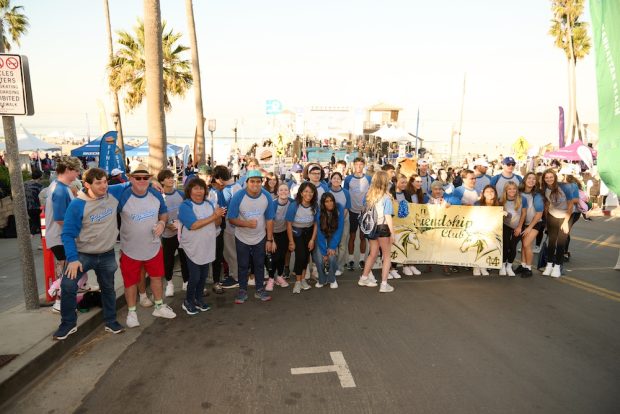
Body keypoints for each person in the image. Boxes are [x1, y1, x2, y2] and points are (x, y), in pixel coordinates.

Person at [55, 168, 127, 340]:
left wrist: (152, 182)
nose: (104, 186)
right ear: (87, 185)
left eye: (105, 181)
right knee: (67, 286)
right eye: (98, 183)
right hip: (82, 255)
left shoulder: (113, 192)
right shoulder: (77, 205)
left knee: (108, 288)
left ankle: (110, 321)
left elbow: (133, 183)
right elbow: (67, 234)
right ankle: (68, 324)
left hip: (107, 253)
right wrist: (72, 259)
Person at [118, 164, 176, 328]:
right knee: (130, 282)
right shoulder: (123, 195)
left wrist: (162, 223)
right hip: (130, 248)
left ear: (150, 179)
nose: (142, 181)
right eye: (138, 178)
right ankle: (131, 313)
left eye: (146, 178)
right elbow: (102, 189)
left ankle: (159, 306)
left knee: (157, 277)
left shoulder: (156, 195)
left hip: (153, 246)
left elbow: (164, 212)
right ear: (131, 179)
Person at [177, 178, 226, 315]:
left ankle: (198, 299)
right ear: (189, 190)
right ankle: (188, 301)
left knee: (203, 275)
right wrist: (213, 216)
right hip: (192, 246)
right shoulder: (185, 206)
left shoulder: (209, 204)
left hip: (207, 244)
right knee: (195, 276)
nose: (199, 191)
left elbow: (216, 223)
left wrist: (219, 216)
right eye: (195, 188)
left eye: (201, 188)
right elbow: (193, 225)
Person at [226, 170, 276, 304]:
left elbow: (270, 219)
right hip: (242, 237)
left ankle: (260, 289)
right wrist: (246, 224)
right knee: (243, 264)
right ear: (246, 182)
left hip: (260, 236)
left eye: (258, 181)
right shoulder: (238, 196)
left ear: (262, 183)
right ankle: (242, 290)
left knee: (259, 264)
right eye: (252, 181)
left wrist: (270, 240)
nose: (255, 184)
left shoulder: (266, 196)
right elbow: (231, 218)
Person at [44, 156, 82, 313]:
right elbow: (61, 219)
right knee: (69, 271)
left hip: (58, 237)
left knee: (67, 269)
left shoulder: (57, 186)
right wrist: (79, 232)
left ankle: (61, 299)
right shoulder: (60, 190)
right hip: (61, 238)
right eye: (76, 171)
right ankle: (59, 300)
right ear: (67, 170)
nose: (78, 174)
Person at [358, 170, 395, 292]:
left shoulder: (368, 196)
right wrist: (392, 233)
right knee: (386, 256)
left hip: (371, 227)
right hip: (383, 228)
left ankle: (363, 277)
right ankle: (384, 284)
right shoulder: (386, 198)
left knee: (372, 254)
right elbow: (388, 216)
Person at [541, 169, 578, 278]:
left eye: (551, 177)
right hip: (552, 215)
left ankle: (557, 267)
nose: (549, 179)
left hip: (566, 216)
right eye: (546, 177)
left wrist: (566, 222)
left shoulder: (564, 187)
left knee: (561, 243)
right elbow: (547, 203)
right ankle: (549, 266)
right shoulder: (545, 188)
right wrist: (547, 221)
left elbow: (571, 205)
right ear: (544, 179)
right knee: (551, 242)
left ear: (555, 177)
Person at [158, 169, 189, 297]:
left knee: (184, 258)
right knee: (168, 260)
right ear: (161, 181)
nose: (171, 179)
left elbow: (186, 211)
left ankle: (186, 281)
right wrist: (165, 224)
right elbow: (156, 214)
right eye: (167, 177)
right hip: (167, 234)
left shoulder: (181, 194)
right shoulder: (158, 196)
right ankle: (169, 284)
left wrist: (180, 223)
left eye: (172, 177)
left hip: (181, 233)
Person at [213, 165, 242, 289]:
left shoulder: (225, 191)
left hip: (230, 225)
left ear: (219, 178)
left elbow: (222, 210)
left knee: (231, 252)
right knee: (233, 251)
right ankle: (235, 274)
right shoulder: (238, 186)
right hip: (238, 224)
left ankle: (235, 277)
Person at [286, 182, 318, 294]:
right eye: (306, 191)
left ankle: (303, 280)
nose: (308, 194)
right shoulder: (294, 205)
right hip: (297, 232)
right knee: (300, 256)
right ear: (301, 193)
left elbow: (315, 224)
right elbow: (288, 223)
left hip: (309, 233)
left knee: (306, 257)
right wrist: (291, 241)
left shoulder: (315, 206)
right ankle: (298, 282)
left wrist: (312, 240)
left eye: (311, 192)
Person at [343, 157, 372, 271]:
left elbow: (371, 194)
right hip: (352, 212)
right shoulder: (348, 179)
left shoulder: (368, 178)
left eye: (361, 165)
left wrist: (368, 205)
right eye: (357, 165)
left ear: (364, 165)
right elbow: (345, 194)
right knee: (352, 236)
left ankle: (361, 260)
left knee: (362, 237)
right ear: (353, 166)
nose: (359, 167)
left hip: (365, 212)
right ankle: (350, 260)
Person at [313, 192, 344, 288]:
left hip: (333, 235)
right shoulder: (319, 212)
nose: (329, 203)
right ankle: (322, 280)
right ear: (323, 203)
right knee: (319, 259)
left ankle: (332, 279)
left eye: (331, 201)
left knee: (332, 256)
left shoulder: (339, 208)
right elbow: (319, 233)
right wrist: (323, 252)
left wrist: (332, 247)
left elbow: (340, 229)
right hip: (321, 236)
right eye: (326, 201)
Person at [517, 173, 544, 278]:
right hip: (523, 222)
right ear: (525, 180)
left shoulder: (537, 195)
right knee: (523, 244)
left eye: (534, 179)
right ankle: (522, 265)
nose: (531, 180)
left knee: (527, 244)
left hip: (535, 222)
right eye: (529, 178)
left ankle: (528, 268)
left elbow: (539, 214)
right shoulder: (519, 193)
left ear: (536, 182)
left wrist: (529, 227)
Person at [266, 183, 292, 291]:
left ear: (289, 192)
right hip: (273, 232)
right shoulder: (273, 204)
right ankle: (271, 278)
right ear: (277, 193)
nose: (283, 192)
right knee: (274, 257)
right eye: (281, 190)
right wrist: (271, 239)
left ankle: (280, 276)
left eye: (286, 190)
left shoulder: (292, 203)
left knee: (282, 256)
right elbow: (268, 222)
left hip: (285, 232)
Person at [500, 181, 527, 276]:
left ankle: (509, 266)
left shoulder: (522, 199)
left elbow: (523, 214)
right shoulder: (501, 200)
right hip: (506, 225)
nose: (512, 191)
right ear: (506, 190)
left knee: (513, 246)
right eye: (509, 189)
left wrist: (519, 227)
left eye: (514, 188)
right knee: (505, 245)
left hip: (518, 226)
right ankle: (502, 265)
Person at [474, 185, 501, 276]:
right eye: (487, 191)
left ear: (495, 193)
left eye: (492, 191)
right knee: (479, 248)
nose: (490, 193)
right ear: (483, 194)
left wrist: (505, 214)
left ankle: (483, 267)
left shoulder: (498, 204)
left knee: (488, 248)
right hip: (479, 228)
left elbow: (504, 217)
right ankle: (476, 267)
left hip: (492, 230)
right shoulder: (478, 203)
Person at [328, 172, 351, 276]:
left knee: (342, 244)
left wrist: (339, 219)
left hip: (344, 221)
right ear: (331, 179)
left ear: (341, 180)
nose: (336, 180)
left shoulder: (346, 192)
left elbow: (346, 207)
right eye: (334, 178)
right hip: (329, 222)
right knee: (332, 244)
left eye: (338, 178)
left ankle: (339, 266)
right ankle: (331, 265)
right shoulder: (327, 191)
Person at [24, 170, 43, 236]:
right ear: (40, 177)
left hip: (28, 207)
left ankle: (32, 234)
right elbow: (41, 197)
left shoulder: (25, 184)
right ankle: (42, 242)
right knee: (41, 225)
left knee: (35, 222)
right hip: (37, 207)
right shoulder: (39, 186)